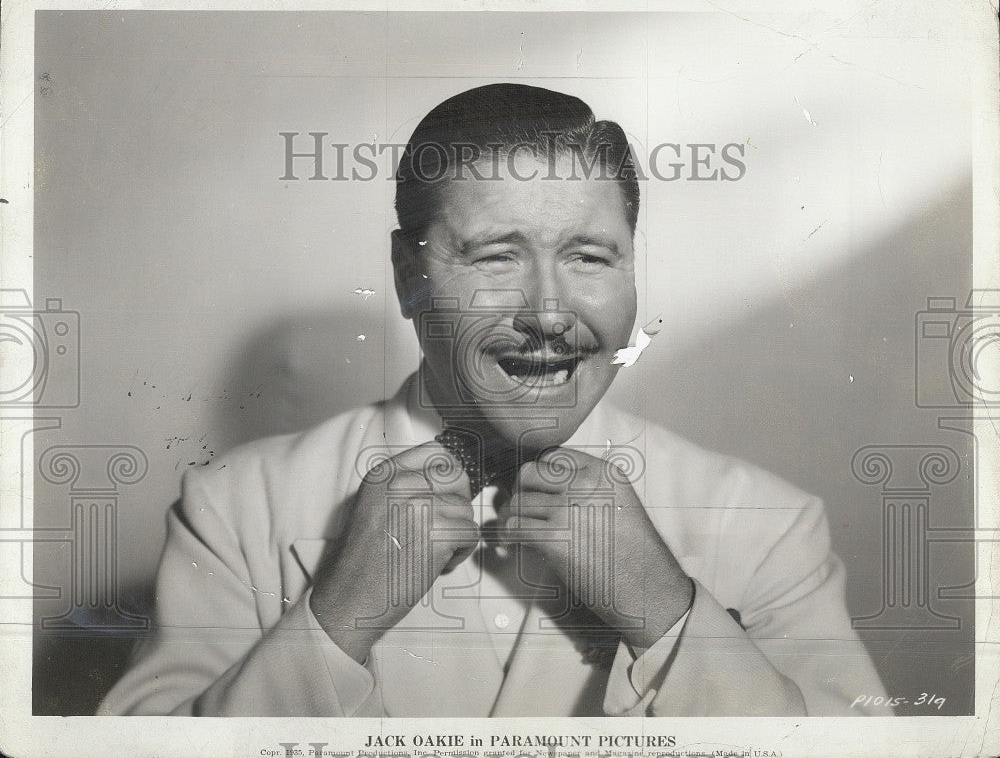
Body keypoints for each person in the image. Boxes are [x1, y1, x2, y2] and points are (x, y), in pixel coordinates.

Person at [99, 83, 887, 717]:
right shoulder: (234, 508)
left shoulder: (775, 524)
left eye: (589, 255)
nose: (548, 313)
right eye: (496, 256)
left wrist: (668, 613)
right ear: (409, 277)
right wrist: (338, 619)